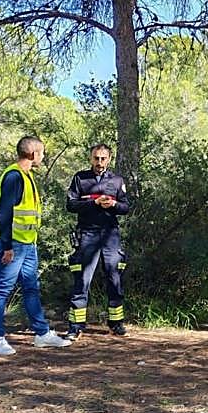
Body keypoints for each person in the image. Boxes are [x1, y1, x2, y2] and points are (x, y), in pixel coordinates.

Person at [0, 136, 71, 355]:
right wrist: (6, 246)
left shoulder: (27, 176)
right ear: (33, 154)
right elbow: (5, 213)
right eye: (42, 152)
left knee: (31, 288)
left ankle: (42, 334)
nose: (43, 156)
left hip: (27, 244)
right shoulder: (14, 176)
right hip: (13, 244)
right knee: (3, 290)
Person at [64, 144, 131, 338]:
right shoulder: (80, 178)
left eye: (103, 158)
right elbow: (71, 204)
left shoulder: (117, 181)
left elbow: (126, 207)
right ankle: (76, 326)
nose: (99, 162)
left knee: (114, 278)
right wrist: (93, 203)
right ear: (90, 158)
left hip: (111, 235)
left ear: (109, 159)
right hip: (87, 235)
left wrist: (114, 204)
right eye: (96, 158)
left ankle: (116, 323)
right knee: (82, 280)